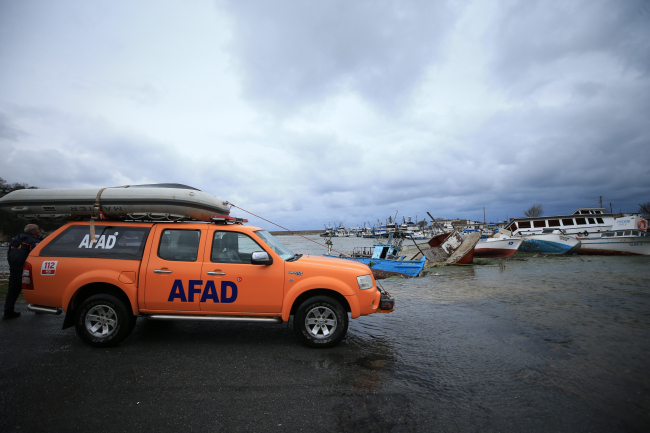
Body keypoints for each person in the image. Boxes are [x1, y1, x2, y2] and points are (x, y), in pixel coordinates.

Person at [4, 224, 43, 320]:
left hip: (14, 268)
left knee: (12, 291)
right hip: (26, 269)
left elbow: (9, 252)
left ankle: (8, 311)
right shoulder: (34, 240)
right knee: (35, 288)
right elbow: (38, 255)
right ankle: (38, 308)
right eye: (37, 229)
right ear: (32, 231)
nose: (38, 231)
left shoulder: (15, 239)